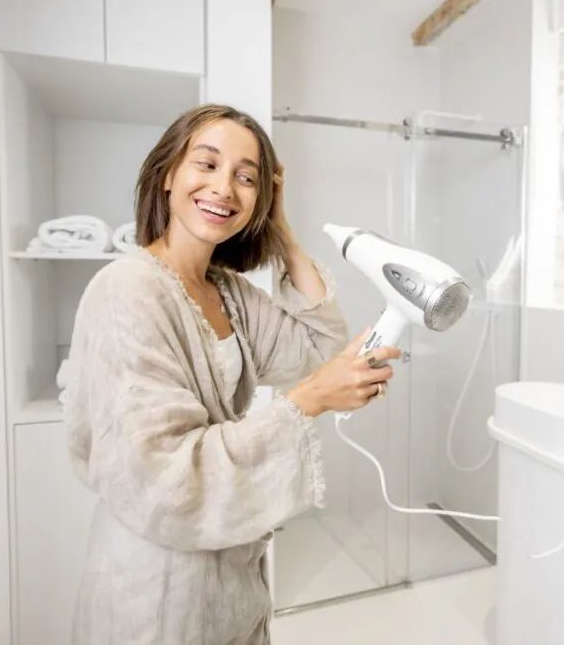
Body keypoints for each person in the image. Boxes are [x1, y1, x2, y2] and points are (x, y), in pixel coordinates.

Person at [63, 103, 401, 644]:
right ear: (168, 174)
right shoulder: (126, 289)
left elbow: (319, 345)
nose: (225, 188)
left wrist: (282, 227)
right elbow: (160, 476)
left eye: (247, 178)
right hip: (156, 585)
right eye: (207, 164)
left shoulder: (227, 292)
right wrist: (312, 398)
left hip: (228, 574)